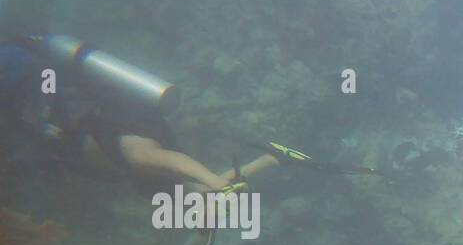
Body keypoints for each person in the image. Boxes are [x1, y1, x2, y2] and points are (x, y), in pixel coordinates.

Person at [0, 35, 278, 196]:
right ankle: (270, 159)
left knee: (144, 157)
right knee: (189, 190)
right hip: (105, 128)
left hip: (107, 117)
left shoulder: (20, 71)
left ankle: (223, 182)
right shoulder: (22, 105)